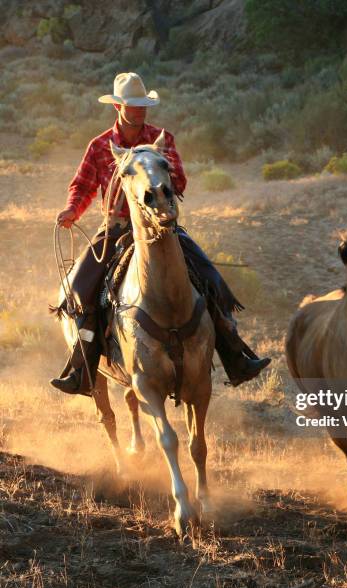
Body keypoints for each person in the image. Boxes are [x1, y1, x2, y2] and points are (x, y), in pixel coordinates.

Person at [50, 72, 270, 396]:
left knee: (210, 278)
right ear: (119, 107)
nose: (140, 111)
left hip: (162, 226)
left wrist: (161, 178)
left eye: (143, 105)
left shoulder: (160, 140)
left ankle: (236, 356)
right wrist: (72, 210)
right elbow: (82, 185)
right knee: (80, 290)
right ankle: (81, 367)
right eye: (133, 105)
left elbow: (179, 179)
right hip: (115, 229)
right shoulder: (100, 146)